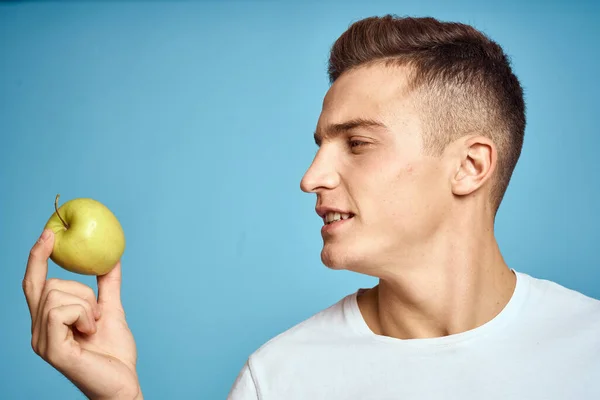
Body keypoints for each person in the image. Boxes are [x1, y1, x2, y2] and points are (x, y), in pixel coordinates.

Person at [23, 15, 600, 400]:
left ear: (470, 166)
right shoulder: (278, 378)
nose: (311, 178)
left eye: (357, 143)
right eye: (319, 145)